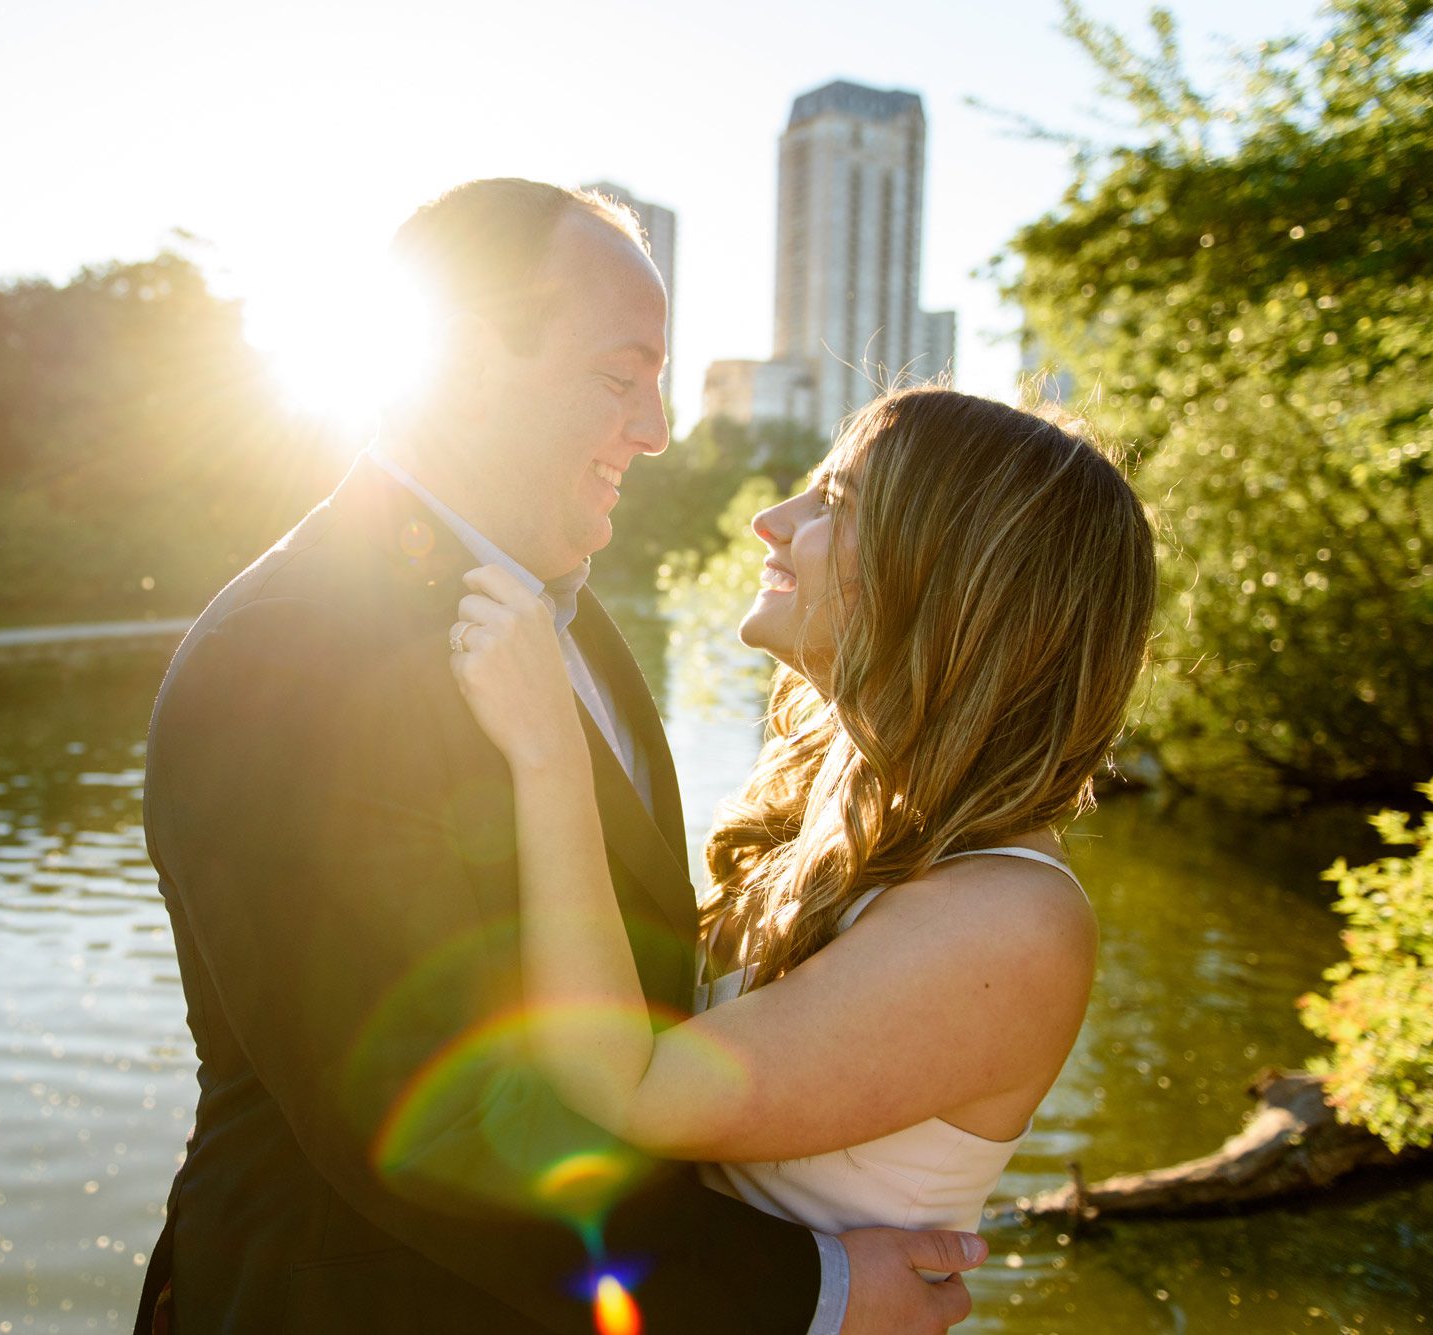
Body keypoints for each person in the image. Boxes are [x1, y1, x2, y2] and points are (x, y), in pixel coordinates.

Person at [135, 181, 987, 1334]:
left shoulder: (572, 618)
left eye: (659, 378)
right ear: (457, 364)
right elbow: (418, 1120)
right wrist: (808, 1294)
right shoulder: (287, 653)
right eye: (614, 375)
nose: (656, 427)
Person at [447, 386, 1155, 1247]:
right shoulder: (835, 816)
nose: (770, 521)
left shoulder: (1014, 922)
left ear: (951, 577)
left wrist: (549, 754)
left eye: (834, 502)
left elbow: (632, 1089)